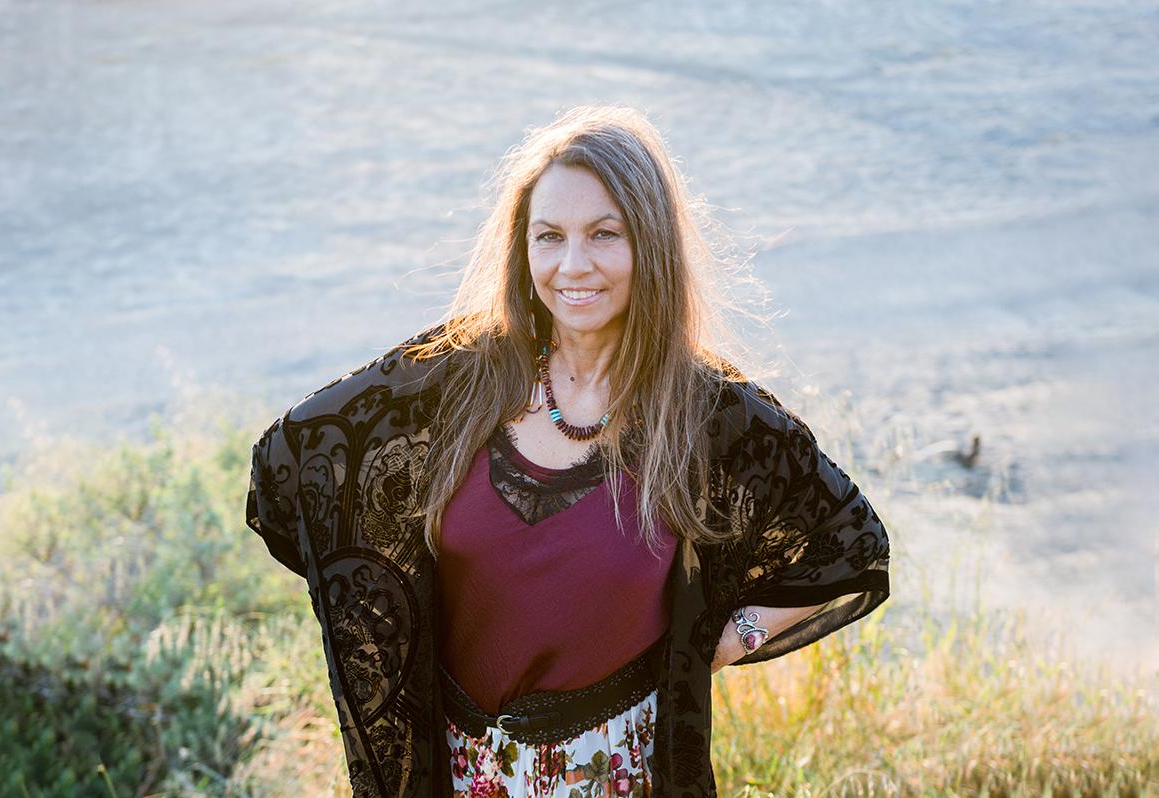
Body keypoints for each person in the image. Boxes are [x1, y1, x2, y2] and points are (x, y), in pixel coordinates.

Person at [246, 104, 891, 797]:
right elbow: (294, 465)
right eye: (549, 236)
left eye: (603, 235)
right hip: (456, 778)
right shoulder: (455, 376)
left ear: (650, 244)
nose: (572, 265)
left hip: (616, 776)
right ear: (522, 247)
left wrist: (725, 637)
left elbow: (854, 547)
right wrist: (380, 614)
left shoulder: (710, 415)